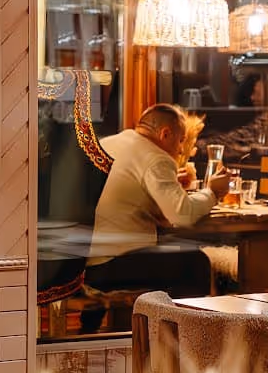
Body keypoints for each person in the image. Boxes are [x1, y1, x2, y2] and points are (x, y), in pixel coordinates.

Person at [86, 103, 234, 299]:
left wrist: (170, 185)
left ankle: (142, 314)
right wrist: (213, 192)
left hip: (83, 264)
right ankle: (177, 319)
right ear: (165, 134)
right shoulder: (156, 157)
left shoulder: (108, 143)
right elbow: (182, 215)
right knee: (196, 262)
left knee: (173, 249)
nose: (180, 150)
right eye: (180, 141)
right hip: (113, 265)